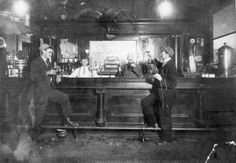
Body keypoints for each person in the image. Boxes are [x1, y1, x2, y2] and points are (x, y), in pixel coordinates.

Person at [29, 43, 78, 138]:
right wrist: (47, 72)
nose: (51, 54)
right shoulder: (35, 62)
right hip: (40, 92)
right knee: (40, 113)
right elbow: (33, 77)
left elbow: (49, 76)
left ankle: (66, 121)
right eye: (49, 52)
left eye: (51, 52)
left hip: (49, 90)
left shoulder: (48, 62)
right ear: (43, 51)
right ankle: (35, 134)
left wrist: (56, 78)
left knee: (64, 97)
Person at [141, 46, 177, 144]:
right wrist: (152, 57)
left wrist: (161, 79)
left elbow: (173, 83)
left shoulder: (171, 65)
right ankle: (154, 123)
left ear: (167, 54)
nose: (161, 54)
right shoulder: (165, 63)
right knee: (145, 102)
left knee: (165, 116)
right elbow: (158, 64)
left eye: (163, 52)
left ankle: (166, 139)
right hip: (159, 93)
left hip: (166, 95)